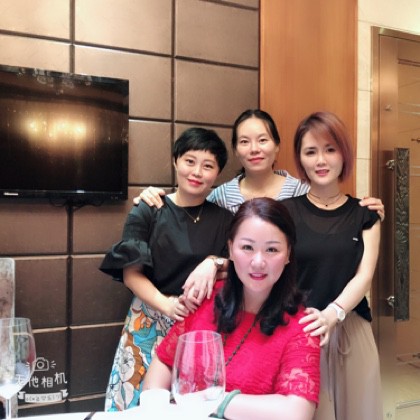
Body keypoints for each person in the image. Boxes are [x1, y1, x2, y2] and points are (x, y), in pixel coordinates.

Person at [136, 109, 385, 303]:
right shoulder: (218, 197)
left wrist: (365, 210)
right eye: (244, 142)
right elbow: (195, 222)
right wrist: (151, 197)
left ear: (277, 146)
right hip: (237, 301)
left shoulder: (302, 192)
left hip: (291, 303)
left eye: (263, 140)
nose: (254, 149)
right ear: (236, 150)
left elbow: (333, 215)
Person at [143, 198, 321, 420]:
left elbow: (297, 412)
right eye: (247, 247)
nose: (258, 262)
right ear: (230, 249)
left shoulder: (302, 327)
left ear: (288, 255)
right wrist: (156, 406)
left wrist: (213, 400)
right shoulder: (205, 298)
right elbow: (164, 362)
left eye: (272, 249)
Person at [99, 127, 234, 411]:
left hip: (200, 324)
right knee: (137, 405)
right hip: (149, 318)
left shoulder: (225, 219)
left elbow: (236, 268)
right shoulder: (148, 209)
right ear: (175, 161)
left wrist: (213, 261)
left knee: (192, 406)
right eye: (189, 161)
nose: (197, 172)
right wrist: (167, 306)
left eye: (208, 166)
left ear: (218, 173)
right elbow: (131, 274)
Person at [281, 111, 382, 419]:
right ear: (300, 159)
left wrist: (332, 314)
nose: (321, 160)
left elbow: (364, 276)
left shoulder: (365, 214)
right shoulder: (285, 213)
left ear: (344, 154)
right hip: (299, 329)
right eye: (311, 152)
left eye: (330, 149)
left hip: (351, 328)